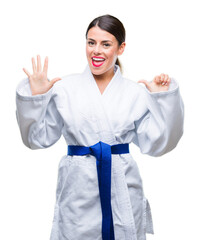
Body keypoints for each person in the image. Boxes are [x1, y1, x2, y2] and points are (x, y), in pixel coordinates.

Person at [16, 14, 184, 240]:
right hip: (78, 190)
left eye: (106, 44)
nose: (96, 50)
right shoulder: (64, 88)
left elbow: (158, 144)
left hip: (123, 184)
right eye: (91, 42)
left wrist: (161, 100)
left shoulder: (134, 92)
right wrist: (37, 97)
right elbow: (36, 139)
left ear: (121, 48)